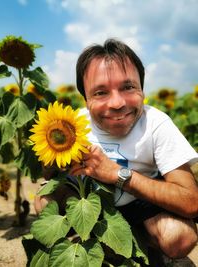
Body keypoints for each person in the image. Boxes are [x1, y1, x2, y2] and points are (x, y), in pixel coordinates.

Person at [35, 38, 198, 260]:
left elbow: (192, 201)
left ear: (142, 89)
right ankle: (89, 238)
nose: (117, 103)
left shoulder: (156, 124)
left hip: (140, 204)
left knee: (180, 236)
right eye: (101, 92)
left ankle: (134, 243)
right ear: (85, 99)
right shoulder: (70, 126)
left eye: (128, 87)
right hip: (89, 203)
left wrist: (117, 175)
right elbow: (49, 172)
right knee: (43, 201)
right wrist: (53, 161)